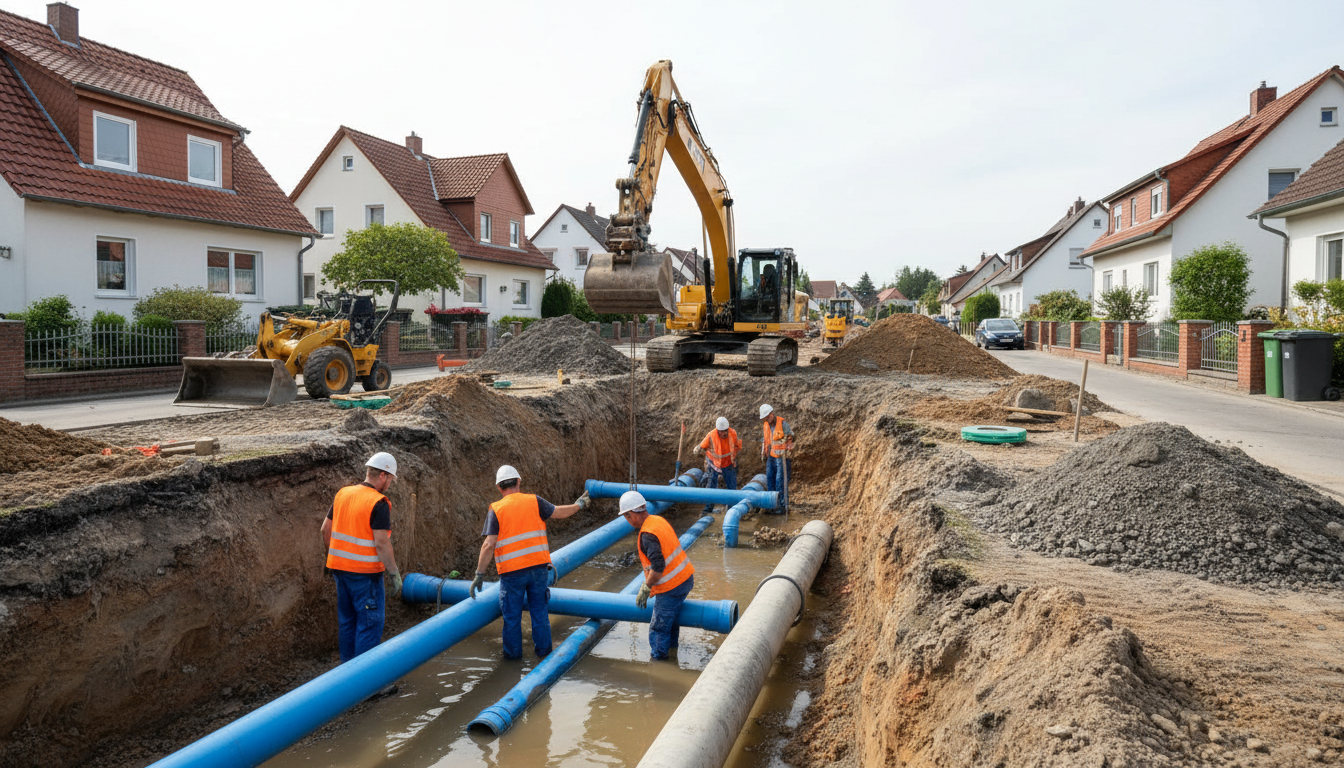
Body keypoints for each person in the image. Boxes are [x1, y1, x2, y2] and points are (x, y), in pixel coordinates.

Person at [471, 465, 590, 659]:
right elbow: (559, 512)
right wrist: (579, 505)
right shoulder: (534, 501)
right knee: (539, 613)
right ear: (519, 482)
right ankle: (544, 655)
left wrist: (479, 574)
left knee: (512, 618)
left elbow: (488, 544)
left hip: (512, 574)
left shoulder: (497, 509)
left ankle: (512, 661)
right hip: (538, 570)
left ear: (499, 488)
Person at [322, 451, 402, 662]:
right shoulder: (379, 502)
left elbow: (325, 530)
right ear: (383, 476)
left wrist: (335, 559)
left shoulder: (343, 494)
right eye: (391, 479)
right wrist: (394, 573)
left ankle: (348, 678)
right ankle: (367, 689)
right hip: (365, 576)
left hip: (339, 571)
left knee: (348, 621)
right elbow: (381, 542)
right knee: (369, 625)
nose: (390, 484)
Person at [617, 491, 695, 660]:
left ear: (631, 514)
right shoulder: (657, 520)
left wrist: (646, 586)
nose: (627, 520)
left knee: (659, 627)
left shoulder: (647, 534)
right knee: (671, 622)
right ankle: (672, 653)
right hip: (685, 578)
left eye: (626, 517)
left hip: (671, 586)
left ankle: (659, 663)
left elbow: (658, 567)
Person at [694, 416, 741, 515]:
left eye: (725, 431)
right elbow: (702, 447)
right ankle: (708, 509)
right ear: (717, 430)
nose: (723, 433)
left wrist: (734, 458)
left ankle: (731, 510)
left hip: (728, 463)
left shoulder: (733, 433)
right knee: (711, 486)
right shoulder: (711, 435)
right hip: (714, 464)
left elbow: (737, 445)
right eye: (721, 431)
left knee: (732, 486)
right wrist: (698, 450)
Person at [759, 404, 795, 513]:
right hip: (771, 455)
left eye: (768, 416)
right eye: (765, 418)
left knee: (780, 481)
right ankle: (772, 504)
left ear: (772, 413)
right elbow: (765, 440)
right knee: (770, 478)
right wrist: (763, 452)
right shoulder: (766, 425)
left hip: (782, 457)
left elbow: (791, 437)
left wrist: (788, 447)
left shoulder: (783, 424)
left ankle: (782, 506)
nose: (767, 419)